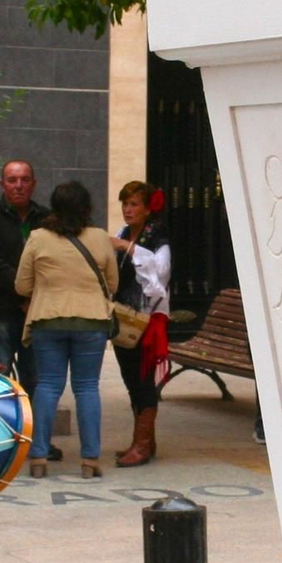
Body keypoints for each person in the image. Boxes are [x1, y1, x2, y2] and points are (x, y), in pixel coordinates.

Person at [14, 180, 118, 479]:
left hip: (49, 319)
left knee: (47, 385)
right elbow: (113, 284)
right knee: (87, 387)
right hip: (91, 322)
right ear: (87, 207)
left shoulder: (38, 237)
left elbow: (21, 285)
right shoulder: (100, 238)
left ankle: (38, 458)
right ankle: (90, 459)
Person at [0, 160, 59, 461]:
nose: (18, 185)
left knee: (37, 377)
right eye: (12, 180)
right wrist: (24, 291)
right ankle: (0, 439)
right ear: (2, 185)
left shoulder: (48, 219)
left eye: (24, 180)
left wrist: (35, 296)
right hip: (2, 311)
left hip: (38, 314)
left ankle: (35, 439)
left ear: (33, 183)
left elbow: (55, 261)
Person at [109, 181, 172, 467]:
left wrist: (128, 248)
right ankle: (144, 440)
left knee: (143, 379)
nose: (128, 209)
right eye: (125, 203)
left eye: (134, 204)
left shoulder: (158, 239)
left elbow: (160, 276)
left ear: (148, 209)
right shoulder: (123, 233)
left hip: (147, 318)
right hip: (124, 317)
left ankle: (142, 444)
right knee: (130, 377)